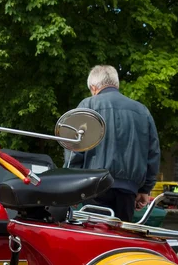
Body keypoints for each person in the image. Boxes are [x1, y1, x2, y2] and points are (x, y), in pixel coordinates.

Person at [65, 65, 161, 221]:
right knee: (120, 238)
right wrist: (145, 189)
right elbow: (152, 153)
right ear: (116, 84)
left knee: (96, 238)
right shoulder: (142, 111)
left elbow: (75, 149)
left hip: (94, 185)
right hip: (128, 191)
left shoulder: (88, 105)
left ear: (94, 87)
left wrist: (71, 186)